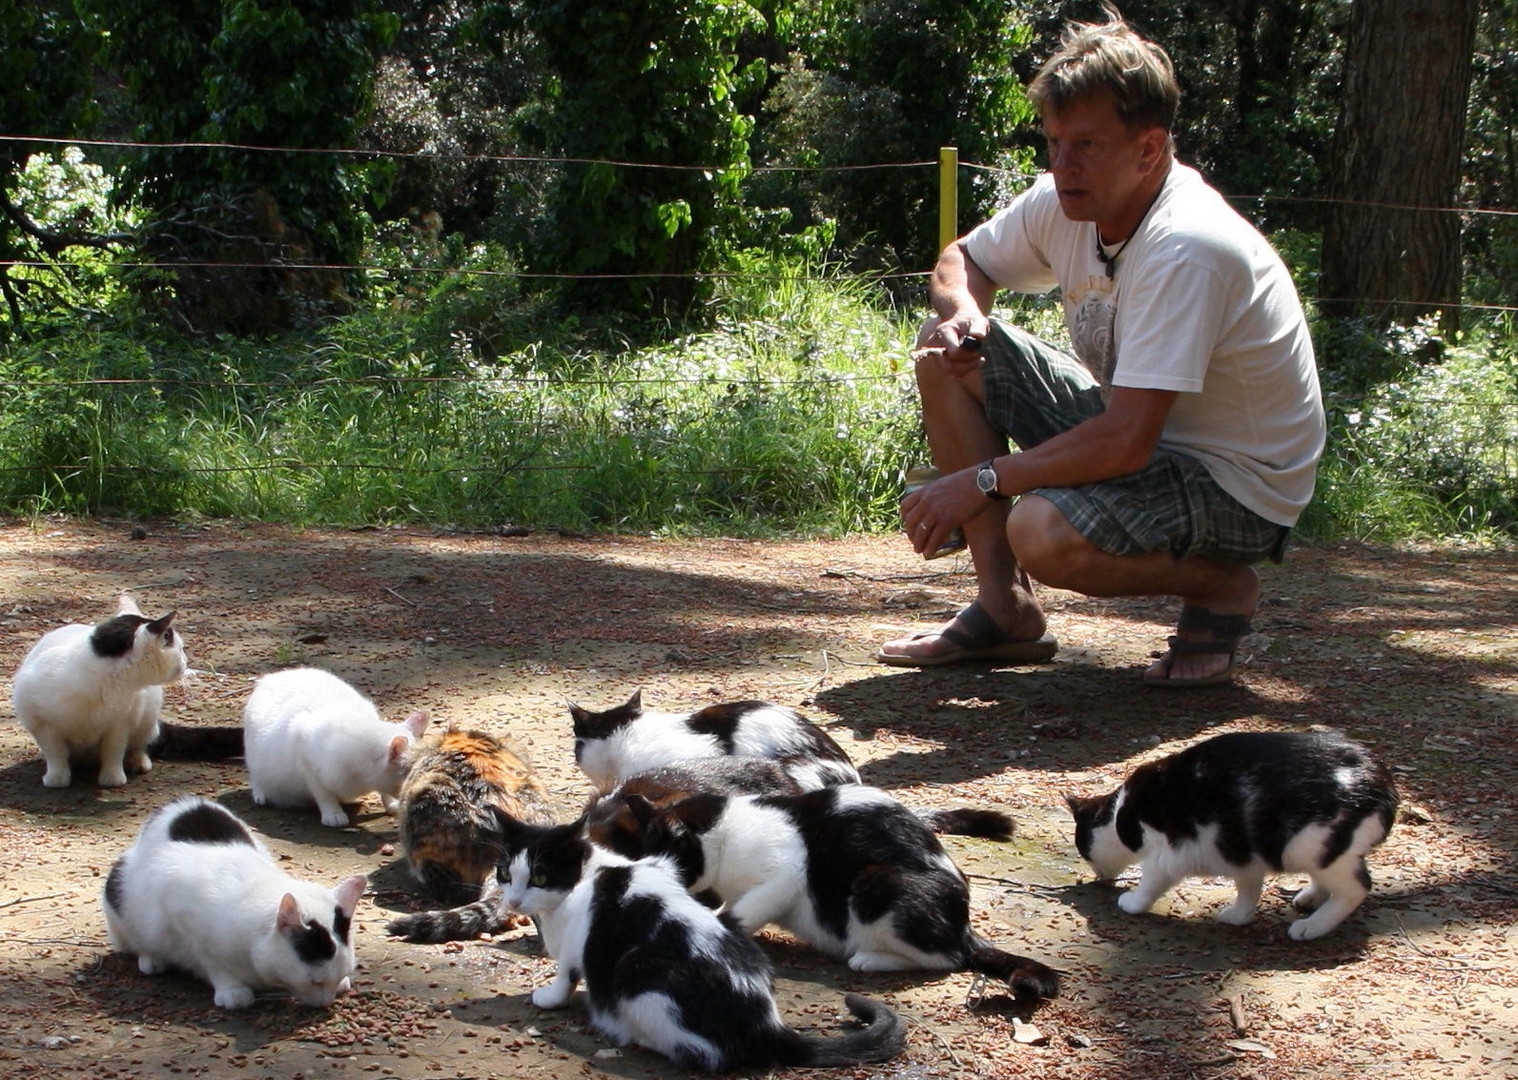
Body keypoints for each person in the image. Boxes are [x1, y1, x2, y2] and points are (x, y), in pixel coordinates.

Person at [878, 8, 1325, 688]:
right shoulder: (1066, 200)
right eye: (1054, 142)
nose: (1062, 166)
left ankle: (1220, 586)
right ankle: (1006, 613)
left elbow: (1125, 443)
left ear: (1148, 150)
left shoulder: (1189, 247)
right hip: (1138, 433)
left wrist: (978, 482)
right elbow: (963, 257)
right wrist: (965, 315)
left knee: (1042, 531)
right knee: (943, 354)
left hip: (1237, 485)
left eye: (1084, 145)